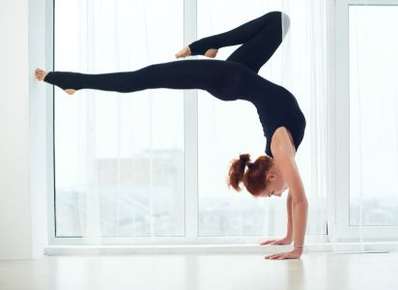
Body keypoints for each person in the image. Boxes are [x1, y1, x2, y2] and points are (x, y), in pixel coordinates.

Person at [34, 11, 308, 260]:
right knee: (140, 79)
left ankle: (203, 46)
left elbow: (292, 196)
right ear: (271, 176)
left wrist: (287, 237)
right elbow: (299, 199)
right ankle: (74, 81)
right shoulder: (281, 148)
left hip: (234, 78)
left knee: (278, 21)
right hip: (228, 79)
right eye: (272, 193)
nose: (278, 194)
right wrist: (295, 247)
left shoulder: (279, 154)